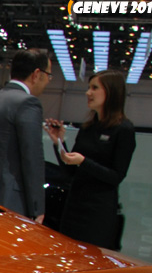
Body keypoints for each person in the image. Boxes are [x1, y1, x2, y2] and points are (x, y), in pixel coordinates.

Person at [45, 70, 136, 250]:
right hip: (74, 206)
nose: (88, 93)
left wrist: (83, 162)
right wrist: (59, 143)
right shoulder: (88, 128)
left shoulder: (123, 130)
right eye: (89, 88)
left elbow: (116, 176)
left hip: (98, 212)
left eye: (94, 88)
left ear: (111, 92)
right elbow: (70, 171)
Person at [0, 48, 52, 223]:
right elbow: (32, 157)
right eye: (48, 75)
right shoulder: (28, 103)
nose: (48, 81)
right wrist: (37, 207)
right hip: (8, 200)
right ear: (36, 74)